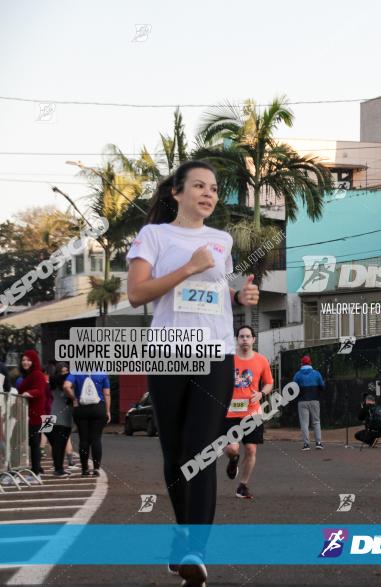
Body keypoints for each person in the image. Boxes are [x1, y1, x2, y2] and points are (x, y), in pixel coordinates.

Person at [126, 160, 260, 586]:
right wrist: (188, 267)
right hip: (169, 351)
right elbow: (136, 294)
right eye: (198, 186)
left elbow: (222, 291)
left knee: (201, 451)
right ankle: (183, 540)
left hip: (215, 354)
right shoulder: (154, 235)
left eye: (214, 189)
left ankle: (193, 551)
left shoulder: (221, 240)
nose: (208, 194)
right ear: (177, 193)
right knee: (175, 456)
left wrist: (243, 294)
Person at [223, 325, 273, 499]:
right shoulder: (228, 360)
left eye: (248, 336)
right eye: (241, 336)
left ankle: (242, 486)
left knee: (251, 449)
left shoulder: (261, 360)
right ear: (237, 339)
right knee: (232, 448)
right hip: (230, 412)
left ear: (253, 339)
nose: (245, 339)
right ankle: (232, 460)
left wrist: (261, 393)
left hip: (253, 412)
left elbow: (269, 383)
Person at [64, 371, 111, 476]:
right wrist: (107, 411)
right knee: (96, 439)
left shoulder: (76, 372)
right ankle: (96, 469)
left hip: (81, 408)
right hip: (99, 408)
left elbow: (66, 386)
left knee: (83, 439)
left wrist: (74, 399)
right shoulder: (102, 373)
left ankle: (84, 469)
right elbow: (107, 394)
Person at [17, 350, 48, 476]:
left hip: (35, 414)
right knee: (34, 441)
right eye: (23, 360)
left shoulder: (37, 374)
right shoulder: (28, 375)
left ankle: (36, 470)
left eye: (28, 360)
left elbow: (39, 391)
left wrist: (27, 394)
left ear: (34, 361)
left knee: (34, 442)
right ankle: (37, 468)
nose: (25, 362)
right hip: (29, 413)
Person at [47, 362, 74, 476]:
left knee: (54, 444)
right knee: (60, 444)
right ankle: (58, 469)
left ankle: (57, 467)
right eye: (63, 372)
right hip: (62, 417)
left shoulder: (50, 383)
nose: (65, 374)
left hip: (48, 417)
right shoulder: (68, 385)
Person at [293, 356, 324, 451]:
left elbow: (293, 387)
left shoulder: (297, 374)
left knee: (304, 423)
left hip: (302, 401)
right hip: (314, 400)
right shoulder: (316, 373)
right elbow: (322, 387)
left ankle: (306, 444)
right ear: (310, 363)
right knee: (316, 421)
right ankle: (318, 443)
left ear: (301, 364)